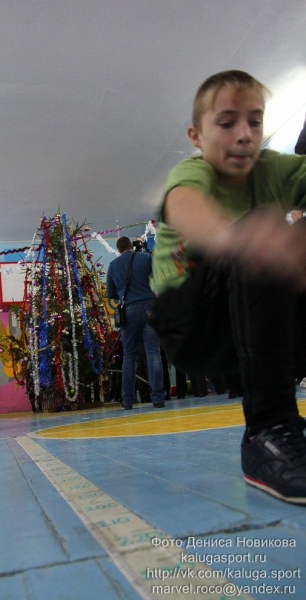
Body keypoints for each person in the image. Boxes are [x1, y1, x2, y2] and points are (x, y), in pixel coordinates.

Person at [148, 70, 306, 504]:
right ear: (196, 136)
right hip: (190, 325)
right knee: (259, 234)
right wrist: (232, 238)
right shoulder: (194, 172)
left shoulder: (275, 169)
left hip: (256, 323)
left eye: (255, 121)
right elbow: (185, 205)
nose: (244, 135)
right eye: (227, 122)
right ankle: (268, 432)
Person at [107, 237, 165, 409]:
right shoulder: (146, 258)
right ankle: (158, 398)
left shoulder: (113, 265)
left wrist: (124, 293)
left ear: (118, 250)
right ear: (131, 246)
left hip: (129, 310)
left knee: (129, 356)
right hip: (150, 306)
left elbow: (111, 294)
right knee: (153, 352)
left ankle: (127, 400)